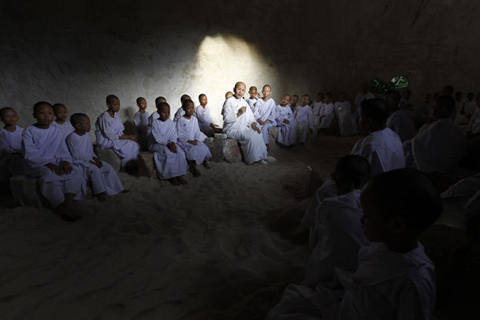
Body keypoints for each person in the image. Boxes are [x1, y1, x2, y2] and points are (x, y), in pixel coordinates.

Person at [267, 168, 442, 320]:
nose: (361, 220)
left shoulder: (414, 279)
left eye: (367, 215)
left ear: (396, 225)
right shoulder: (383, 246)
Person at [22, 102, 84, 221]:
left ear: (53, 115)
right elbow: (29, 153)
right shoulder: (29, 131)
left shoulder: (56, 131)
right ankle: (60, 203)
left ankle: (69, 203)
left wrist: (65, 162)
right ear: (34, 115)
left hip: (56, 162)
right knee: (49, 174)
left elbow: (63, 150)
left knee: (75, 170)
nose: (46, 116)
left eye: (49, 113)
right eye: (42, 113)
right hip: (37, 164)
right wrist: (48, 164)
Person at [67, 113, 124, 201]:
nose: (90, 125)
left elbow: (90, 150)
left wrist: (96, 159)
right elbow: (76, 155)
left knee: (107, 167)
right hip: (79, 162)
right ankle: (99, 193)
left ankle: (117, 189)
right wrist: (91, 162)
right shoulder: (72, 137)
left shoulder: (87, 136)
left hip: (90, 160)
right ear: (78, 126)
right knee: (94, 169)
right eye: (87, 123)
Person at [404, 95, 466, 173]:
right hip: (447, 164)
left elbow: (418, 143)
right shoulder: (445, 124)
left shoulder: (439, 127)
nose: (434, 110)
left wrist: (409, 144)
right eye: (433, 107)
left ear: (449, 110)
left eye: (439, 108)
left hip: (435, 164)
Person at [351, 98, 405, 176]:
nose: (359, 120)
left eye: (361, 117)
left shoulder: (370, 145)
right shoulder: (395, 136)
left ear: (368, 121)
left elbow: (360, 173)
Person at [222, 81, 270, 165]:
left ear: (245, 92)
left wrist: (253, 125)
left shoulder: (243, 102)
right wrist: (239, 113)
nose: (240, 92)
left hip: (242, 127)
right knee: (249, 135)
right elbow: (226, 119)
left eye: (243, 90)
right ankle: (252, 159)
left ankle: (263, 156)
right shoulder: (229, 101)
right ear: (234, 89)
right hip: (232, 129)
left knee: (257, 132)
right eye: (238, 89)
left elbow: (250, 116)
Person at [95, 94, 140, 170]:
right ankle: (123, 166)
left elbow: (119, 130)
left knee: (135, 145)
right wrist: (128, 137)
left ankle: (129, 165)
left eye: (118, 104)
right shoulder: (104, 117)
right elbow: (109, 135)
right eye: (115, 104)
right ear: (108, 105)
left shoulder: (115, 115)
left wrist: (128, 138)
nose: (117, 106)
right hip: (106, 140)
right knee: (132, 145)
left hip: (115, 138)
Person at [149, 102, 187, 185]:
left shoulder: (171, 123)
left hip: (170, 143)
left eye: (168, 112)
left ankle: (179, 175)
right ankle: (171, 176)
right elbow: (157, 138)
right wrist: (168, 144)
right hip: (158, 144)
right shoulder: (155, 123)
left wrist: (173, 143)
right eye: (164, 112)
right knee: (168, 153)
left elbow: (173, 135)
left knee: (180, 153)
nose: (166, 114)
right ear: (158, 112)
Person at [176, 99, 211, 177]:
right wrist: (189, 141)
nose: (191, 110)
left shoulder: (194, 119)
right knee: (192, 150)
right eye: (189, 108)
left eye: (192, 108)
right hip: (184, 141)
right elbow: (179, 134)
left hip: (194, 140)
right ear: (184, 108)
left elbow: (197, 132)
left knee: (203, 147)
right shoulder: (181, 120)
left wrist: (195, 139)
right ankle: (193, 167)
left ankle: (204, 161)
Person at [0, 107, 26, 181]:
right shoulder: (2, 133)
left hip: (23, 154)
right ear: (2, 119)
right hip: (8, 156)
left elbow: (27, 143)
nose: (11, 118)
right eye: (7, 116)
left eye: (13, 116)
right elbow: (4, 147)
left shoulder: (23, 131)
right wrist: (16, 153)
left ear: (17, 118)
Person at [254, 85, 277, 150]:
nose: (265, 92)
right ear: (262, 92)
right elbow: (256, 112)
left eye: (267, 91)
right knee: (256, 128)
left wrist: (265, 122)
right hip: (259, 120)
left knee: (265, 128)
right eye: (264, 91)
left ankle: (266, 144)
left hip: (268, 121)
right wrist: (260, 120)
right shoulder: (259, 101)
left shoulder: (271, 101)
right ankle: (258, 145)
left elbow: (273, 113)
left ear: (270, 92)